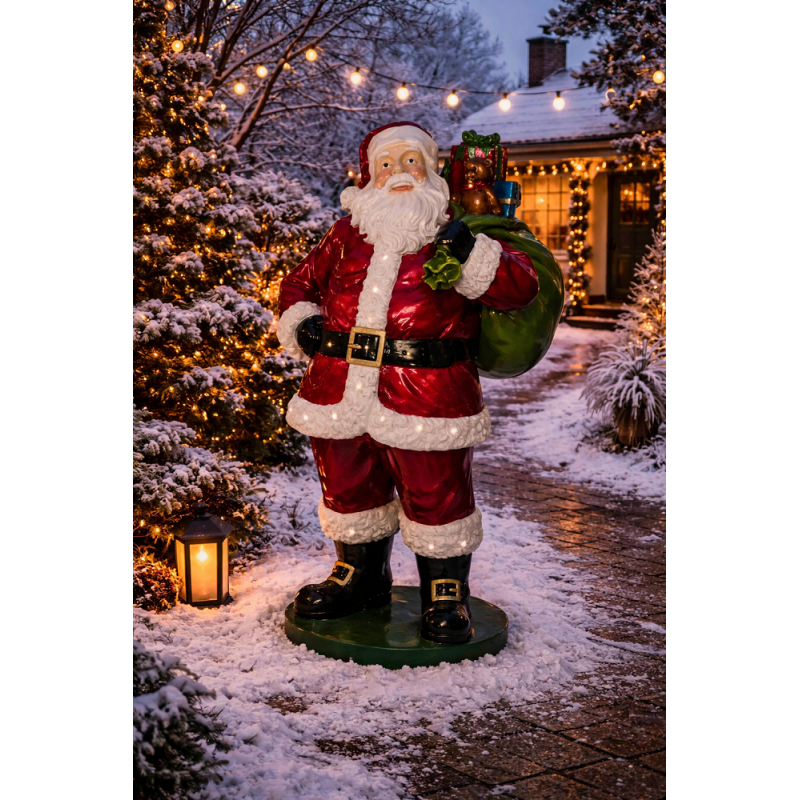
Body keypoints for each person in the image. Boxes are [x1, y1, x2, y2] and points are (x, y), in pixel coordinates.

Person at [277, 122, 539, 644]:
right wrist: (302, 318)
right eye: (387, 164)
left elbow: (519, 288)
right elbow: (300, 282)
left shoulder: (456, 229)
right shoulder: (346, 233)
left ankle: (445, 589)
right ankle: (359, 574)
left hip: (428, 393)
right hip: (338, 385)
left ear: (431, 168)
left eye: (411, 161)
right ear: (370, 175)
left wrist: (469, 251)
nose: (400, 173)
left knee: (436, 492)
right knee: (349, 487)